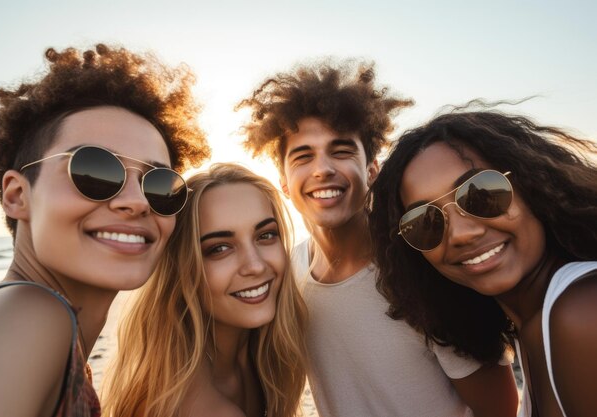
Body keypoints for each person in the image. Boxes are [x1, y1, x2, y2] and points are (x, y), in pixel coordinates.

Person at [237, 61, 519, 416]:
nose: (322, 169)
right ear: (283, 181)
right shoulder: (289, 273)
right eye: (303, 156)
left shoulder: (420, 270)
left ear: (372, 170)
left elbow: (503, 409)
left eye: (341, 151)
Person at [0, 44, 210, 417]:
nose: (137, 202)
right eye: (96, 171)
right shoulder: (31, 319)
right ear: (17, 195)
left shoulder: (34, 324)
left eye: (160, 184)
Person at [368, 107, 597, 417]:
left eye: (482, 193)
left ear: (533, 184)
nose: (461, 233)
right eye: (426, 223)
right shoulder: (536, 327)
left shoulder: (581, 313)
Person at [103, 163, 308, 417]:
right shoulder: (189, 403)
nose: (255, 265)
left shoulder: (260, 361)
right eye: (220, 248)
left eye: (265, 236)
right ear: (182, 270)